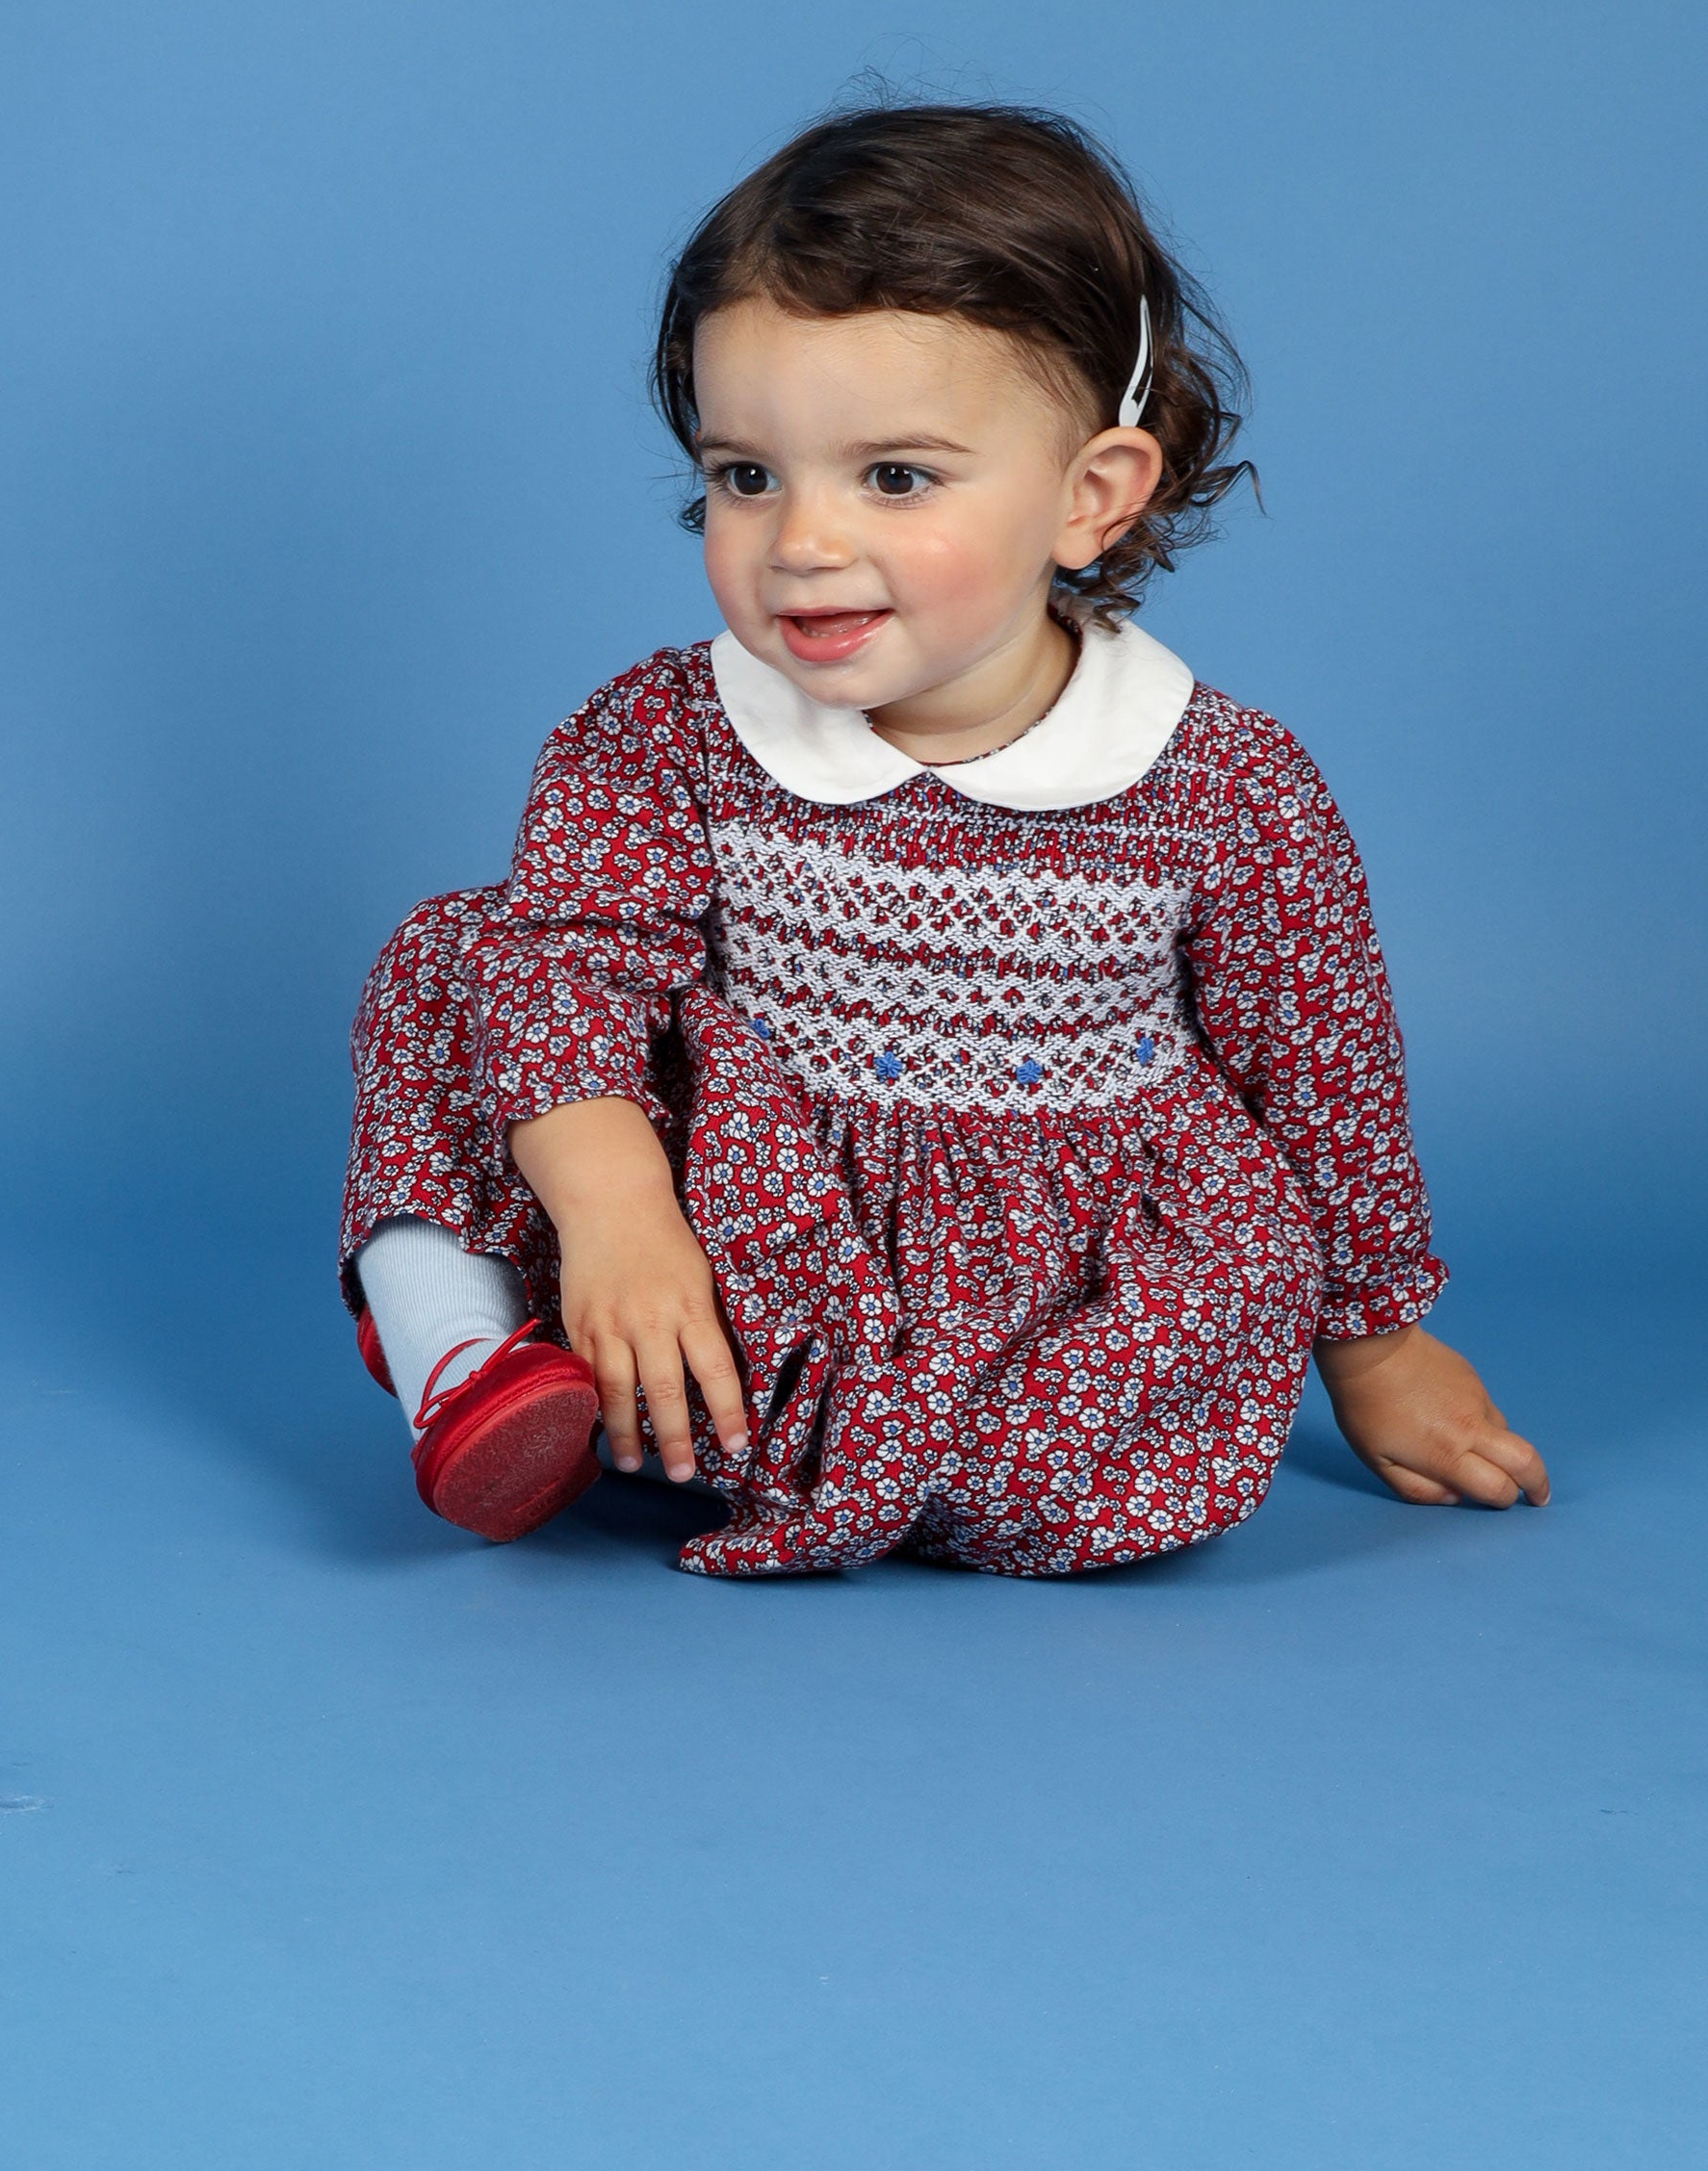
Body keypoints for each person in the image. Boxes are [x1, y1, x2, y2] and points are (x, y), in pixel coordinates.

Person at [339, 101, 1550, 1577]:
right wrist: (616, 1219)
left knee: (1082, 1457)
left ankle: (885, 1458)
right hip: (734, 1256)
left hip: (1056, 1298)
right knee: (473, 952)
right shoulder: (667, 730)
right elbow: (571, 973)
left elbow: (1323, 1072)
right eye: (746, 475)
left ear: (1089, 499)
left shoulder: (1220, 785)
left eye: (895, 477)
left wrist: (1375, 1343)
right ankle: (472, 1353)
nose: (801, 542)